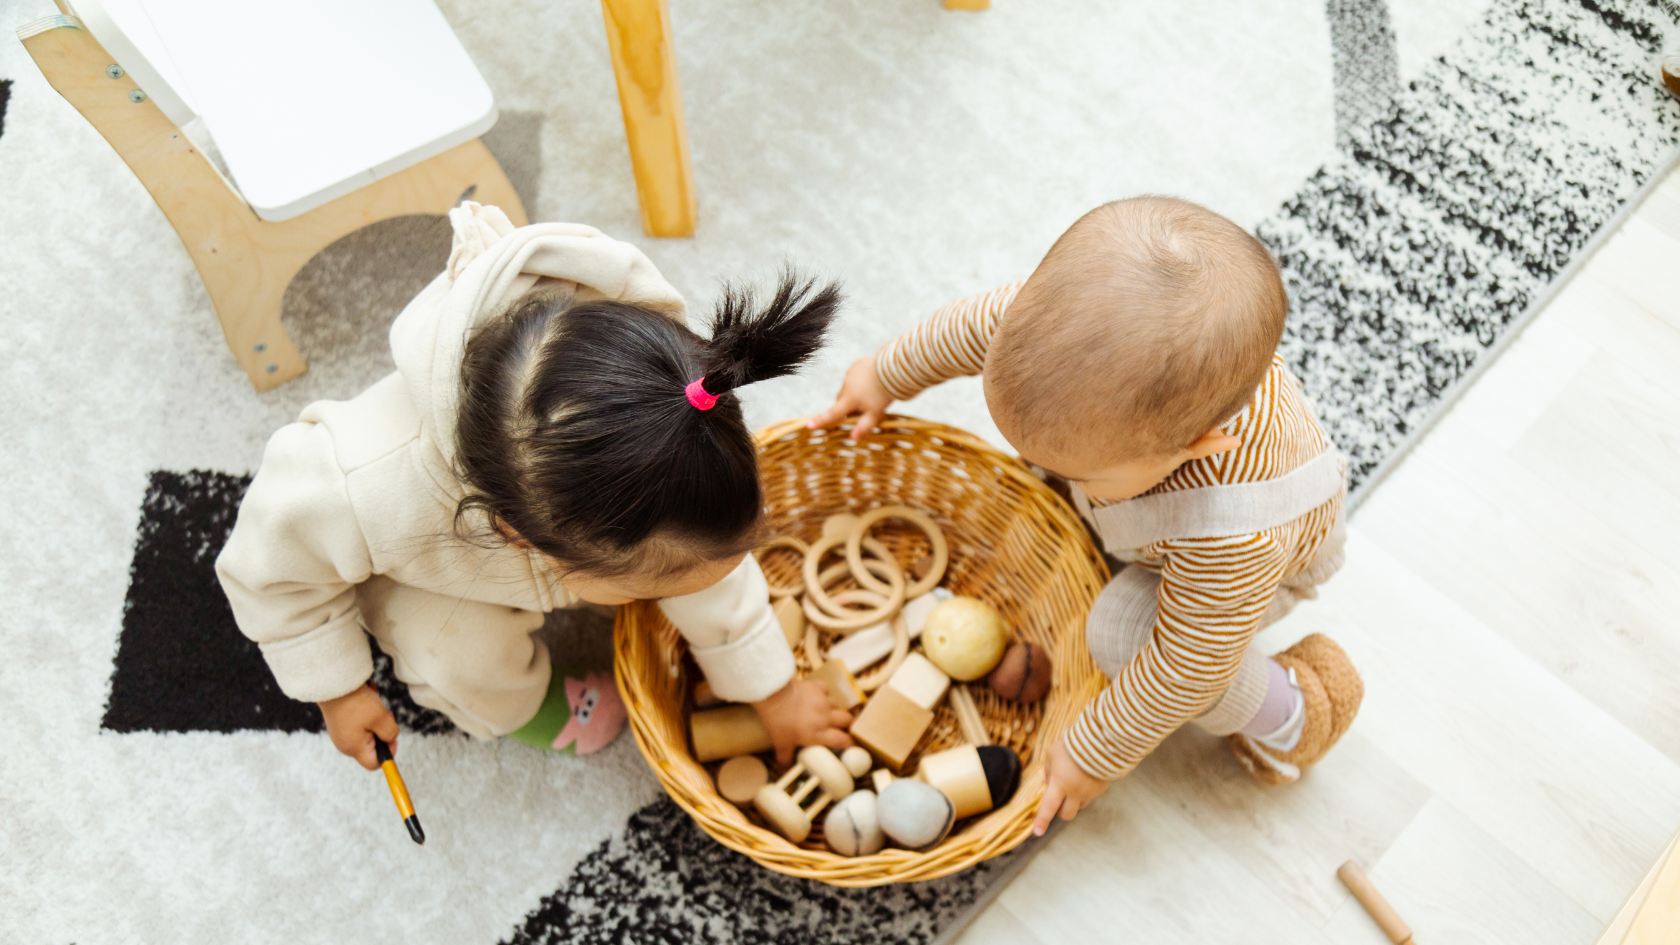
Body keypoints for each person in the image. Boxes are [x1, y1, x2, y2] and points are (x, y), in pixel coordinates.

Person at [218, 203, 853, 772]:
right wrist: (338, 688)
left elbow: (708, 567)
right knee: (454, 654)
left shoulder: (669, 429)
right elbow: (269, 571)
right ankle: (533, 707)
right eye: (643, 589)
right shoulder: (356, 489)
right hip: (428, 566)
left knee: (690, 553)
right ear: (520, 536)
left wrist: (771, 688)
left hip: (575, 521)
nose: (663, 598)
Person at [811, 196, 1363, 834]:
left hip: (1261, 572)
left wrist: (1094, 751)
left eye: (1076, 472)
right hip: (1158, 519)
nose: (1030, 462)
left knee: (1121, 633)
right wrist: (884, 374)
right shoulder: (1056, 338)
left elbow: (1186, 668)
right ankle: (1106, 514)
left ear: (1195, 448)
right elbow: (965, 331)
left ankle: (1289, 712)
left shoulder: (1232, 536)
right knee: (1065, 478)